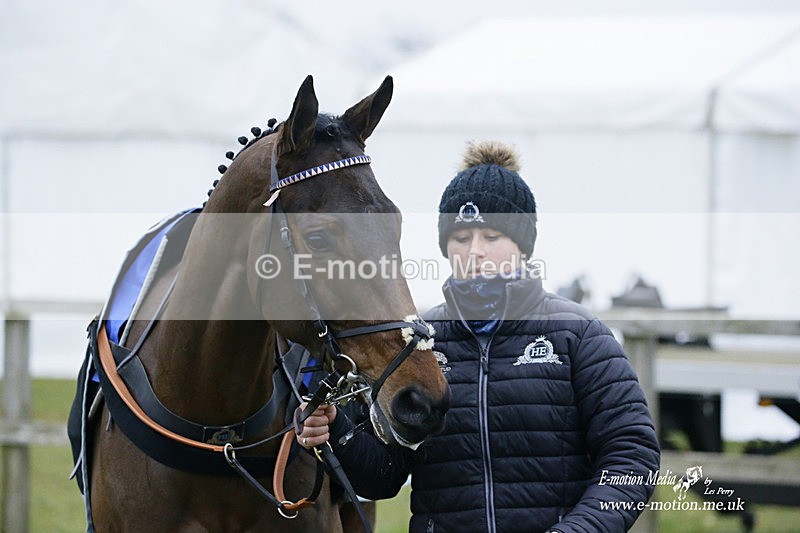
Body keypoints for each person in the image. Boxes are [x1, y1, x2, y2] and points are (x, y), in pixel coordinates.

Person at [297, 141, 661, 532]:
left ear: (522, 245)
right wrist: (337, 431)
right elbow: (385, 476)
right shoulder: (417, 342)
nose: (474, 252)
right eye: (461, 237)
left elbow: (632, 459)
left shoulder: (578, 335)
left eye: (491, 236)